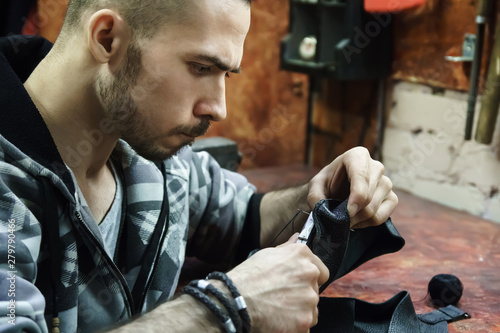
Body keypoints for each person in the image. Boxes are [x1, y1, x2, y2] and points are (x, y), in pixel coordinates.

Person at [0, 0, 398, 332]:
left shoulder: (143, 145)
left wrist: (321, 197)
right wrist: (221, 310)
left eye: (226, 74)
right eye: (201, 68)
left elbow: (244, 220)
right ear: (107, 38)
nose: (219, 109)